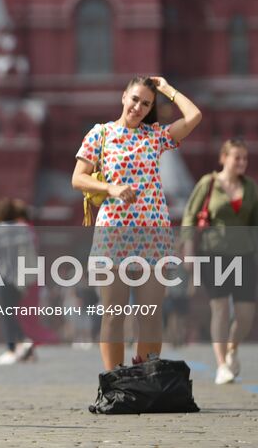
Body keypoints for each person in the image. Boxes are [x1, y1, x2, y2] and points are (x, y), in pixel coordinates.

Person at [72, 76, 202, 371]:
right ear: (123, 97)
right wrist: (111, 189)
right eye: (135, 99)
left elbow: (194, 116)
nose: (139, 107)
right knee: (113, 313)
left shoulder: (155, 136)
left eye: (146, 103)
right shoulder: (100, 134)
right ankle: (114, 379)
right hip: (114, 233)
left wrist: (168, 89)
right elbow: (77, 177)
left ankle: (145, 377)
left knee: (151, 314)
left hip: (153, 234)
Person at [181, 139, 258, 384]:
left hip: (245, 256)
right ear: (224, 158)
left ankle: (232, 347)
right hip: (214, 254)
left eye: (244, 158)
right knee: (219, 308)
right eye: (236, 157)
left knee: (245, 314)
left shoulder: (250, 186)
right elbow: (189, 215)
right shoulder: (208, 183)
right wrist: (188, 247)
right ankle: (221, 365)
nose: (241, 162)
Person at [0, 198, 37, 365]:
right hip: (22, 278)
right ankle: (23, 345)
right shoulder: (24, 230)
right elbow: (32, 252)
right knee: (13, 311)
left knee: (6, 313)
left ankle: (12, 348)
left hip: (4, 277)